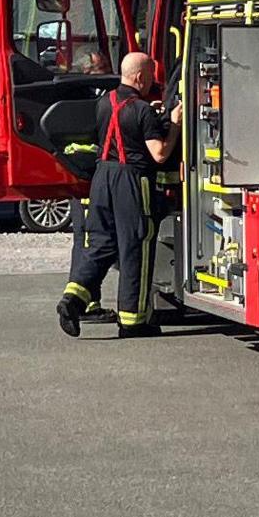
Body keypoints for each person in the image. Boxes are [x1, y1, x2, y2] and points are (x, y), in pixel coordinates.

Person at [59, 51, 177, 337]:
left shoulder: (105, 102)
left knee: (101, 244)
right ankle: (133, 322)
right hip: (131, 183)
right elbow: (159, 154)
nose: (152, 82)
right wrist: (173, 123)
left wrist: (150, 113)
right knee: (136, 246)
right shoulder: (142, 110)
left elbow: (124, 127)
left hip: (103, 178)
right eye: (150, 77)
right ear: (139, 77)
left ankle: (72, 301)